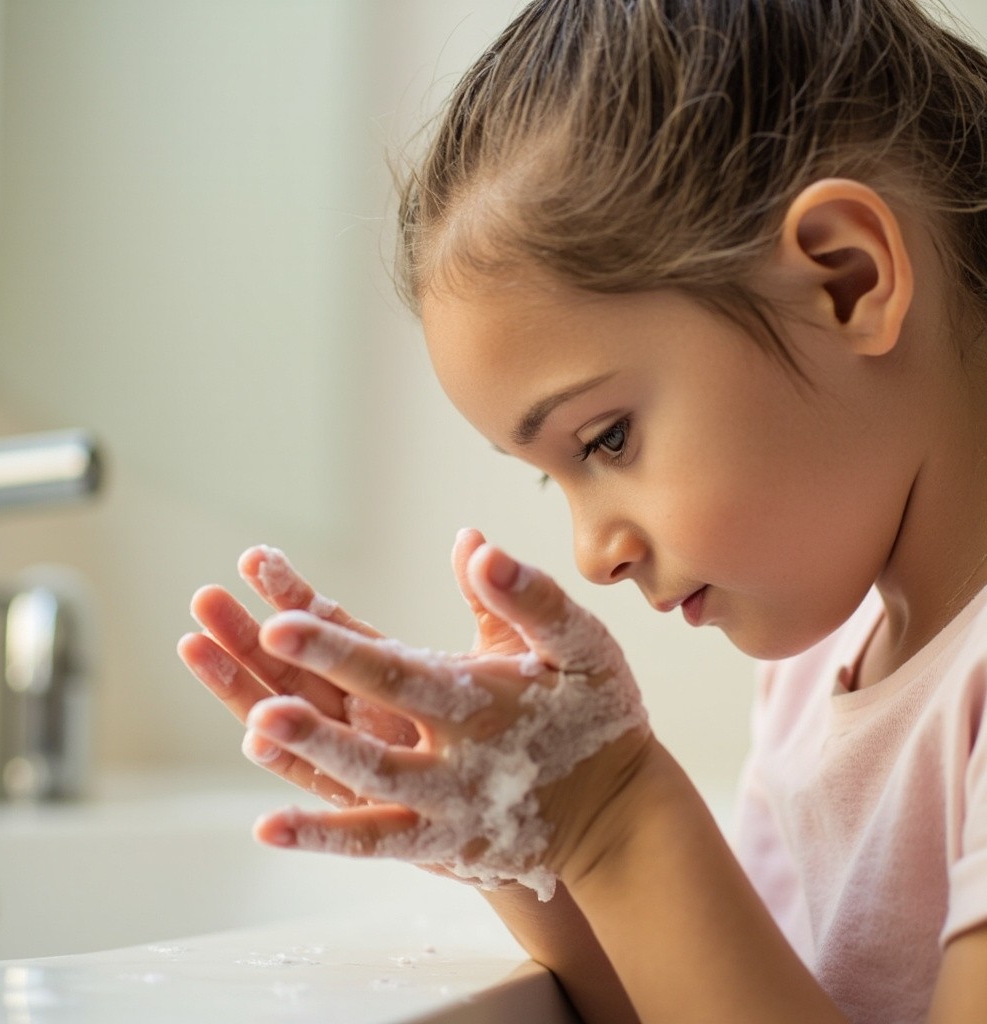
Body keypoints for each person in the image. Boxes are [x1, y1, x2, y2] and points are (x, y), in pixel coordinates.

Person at [177, 0, 987, 1020]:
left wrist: (616, 814)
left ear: (844, 278)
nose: (590, 553)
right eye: (551, 476)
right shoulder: (811, 680)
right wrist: (527, 839)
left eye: (604, 440)